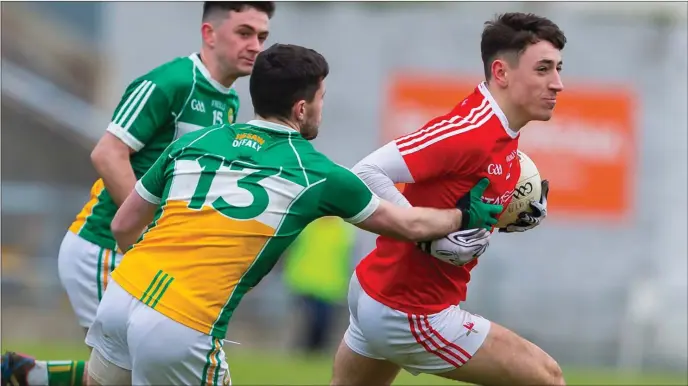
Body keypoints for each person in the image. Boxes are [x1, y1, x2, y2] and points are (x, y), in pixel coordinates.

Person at [82, 43, 503, 386]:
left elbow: (123, 225)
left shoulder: (197, 141)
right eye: (321, 98)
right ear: (302, 109)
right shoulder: (314, 171)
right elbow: (409, 225)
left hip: (121, 295)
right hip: (181, 324)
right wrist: (463, 216)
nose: (322, 108)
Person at [0, 3, 275, 386]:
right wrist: (149, 230)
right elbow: (108, 152)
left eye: (262, 36)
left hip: (142, 254)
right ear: (209, 34)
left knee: (132, 370)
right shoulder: (171, 82)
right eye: (244, 33)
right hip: (103, 248)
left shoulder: (227, 102)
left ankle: (23, 376)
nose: (256, 46)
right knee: (136, 368)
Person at [331, 12, 566, 386]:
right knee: (548, 377)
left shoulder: (503, 131)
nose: (558, 84)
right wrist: (423, 232)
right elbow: (364, 174)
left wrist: (505, 216)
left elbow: (458, 204)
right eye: (543, 69)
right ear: (502, 73)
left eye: (558, 68)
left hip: (381, 290)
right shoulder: (473, 129)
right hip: (410, 311)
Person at [283, 216, 356, 354]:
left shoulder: (345, 230)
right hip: (304, 283)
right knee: (307, 321)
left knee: (323, 323)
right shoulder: (307, 224)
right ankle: (302, 351)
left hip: (330, 287)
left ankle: (315, 352)